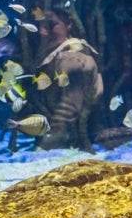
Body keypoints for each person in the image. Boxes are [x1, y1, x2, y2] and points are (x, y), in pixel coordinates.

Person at [33, 8, 103, 151]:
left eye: (52, 25)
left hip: (65, 141)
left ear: (69, 25)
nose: (43, 32)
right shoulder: (53, 53)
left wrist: (54, 134)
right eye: (40, 26)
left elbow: (70, 105)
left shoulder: (72, 57)